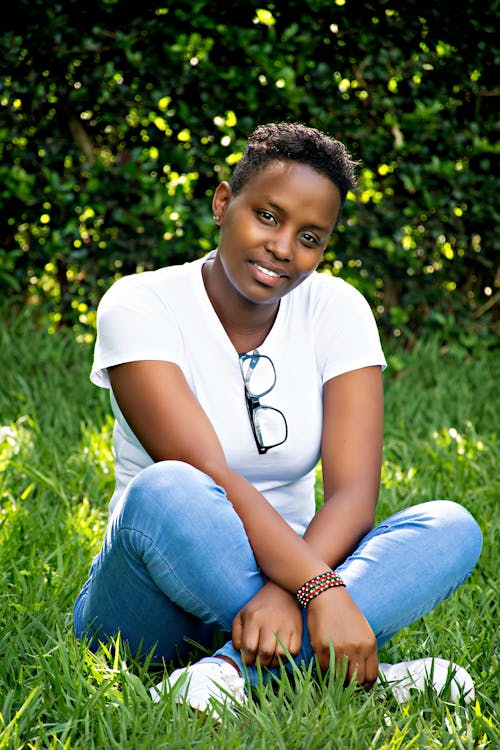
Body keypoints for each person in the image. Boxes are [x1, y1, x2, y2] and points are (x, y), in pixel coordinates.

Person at [73, 122, 482, 720]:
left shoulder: (338, 310)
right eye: (268, 216)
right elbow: (205, 470)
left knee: (452, 526)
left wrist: (291, 594)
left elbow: (351, 496)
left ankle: (228, 672)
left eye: (311, 237)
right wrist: (322, 593)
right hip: (148, 600)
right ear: (222, 202)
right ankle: (349, 673)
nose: (284, 248)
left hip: (296, 576)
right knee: (170, 486)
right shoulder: (139, 304)